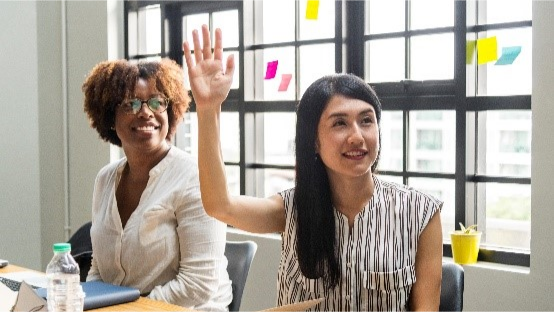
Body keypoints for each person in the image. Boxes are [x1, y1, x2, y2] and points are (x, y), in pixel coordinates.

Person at [184, 25, 443, 311]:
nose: (357, 135)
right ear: (314, 142)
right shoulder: (292, 208)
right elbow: (220, 206)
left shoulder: (420, 213)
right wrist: (208, 109)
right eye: (340, 123)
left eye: (366, 121)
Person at [82, 58, 232, 311]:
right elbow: (99, 268)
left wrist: (128, 310)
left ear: (170, 112)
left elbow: (199, 283)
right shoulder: (105, 179)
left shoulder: (195, 176)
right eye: (130, 104)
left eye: (157, 102)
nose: (145, 112)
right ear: (109, 116)